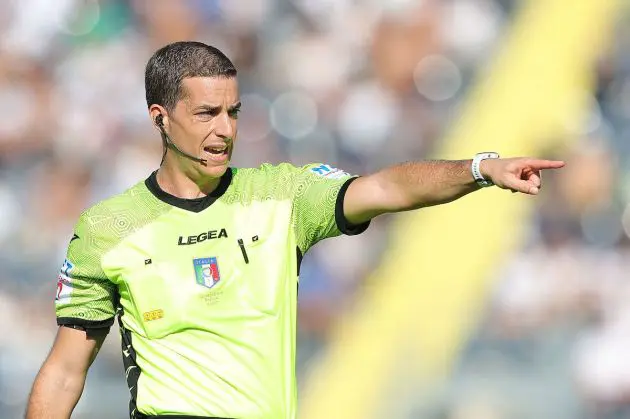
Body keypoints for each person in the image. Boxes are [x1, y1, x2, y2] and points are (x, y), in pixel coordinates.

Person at [25, 41, 565, 419]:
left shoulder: (282, 195)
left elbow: (386, 189)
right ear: (160, 117)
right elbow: (66, 371)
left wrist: (477, 169)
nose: (225, 131)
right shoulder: (109, 227)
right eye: (207, 113)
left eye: (233, 112)